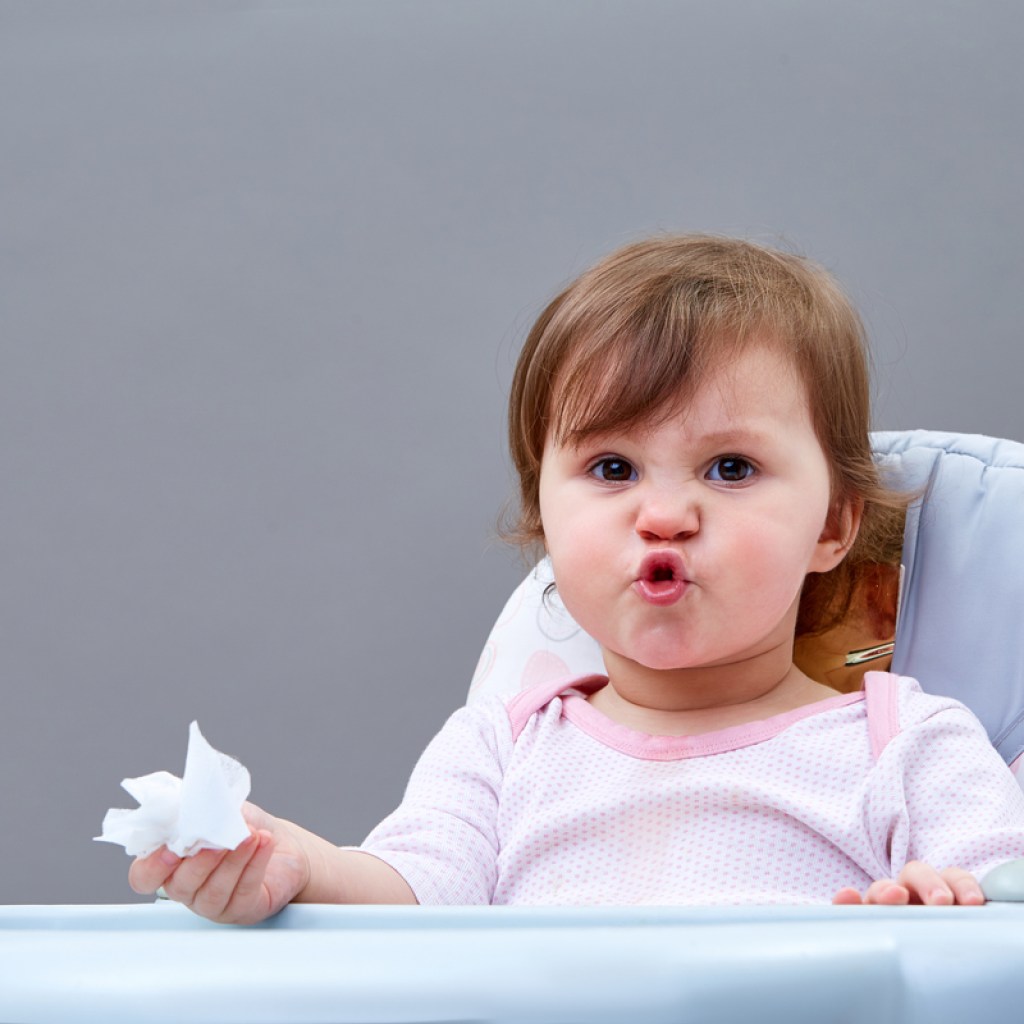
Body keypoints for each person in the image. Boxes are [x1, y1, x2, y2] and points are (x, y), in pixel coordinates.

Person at [129, 235, 1024, 922]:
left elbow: (1001, 899)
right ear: (546, 521)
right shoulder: (506, 749)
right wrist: (296, 865)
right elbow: (408, 898)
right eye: (611, 470)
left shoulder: (908, 745)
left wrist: (938, 912)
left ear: (832, 525)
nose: (664, 514)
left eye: (730, 469)